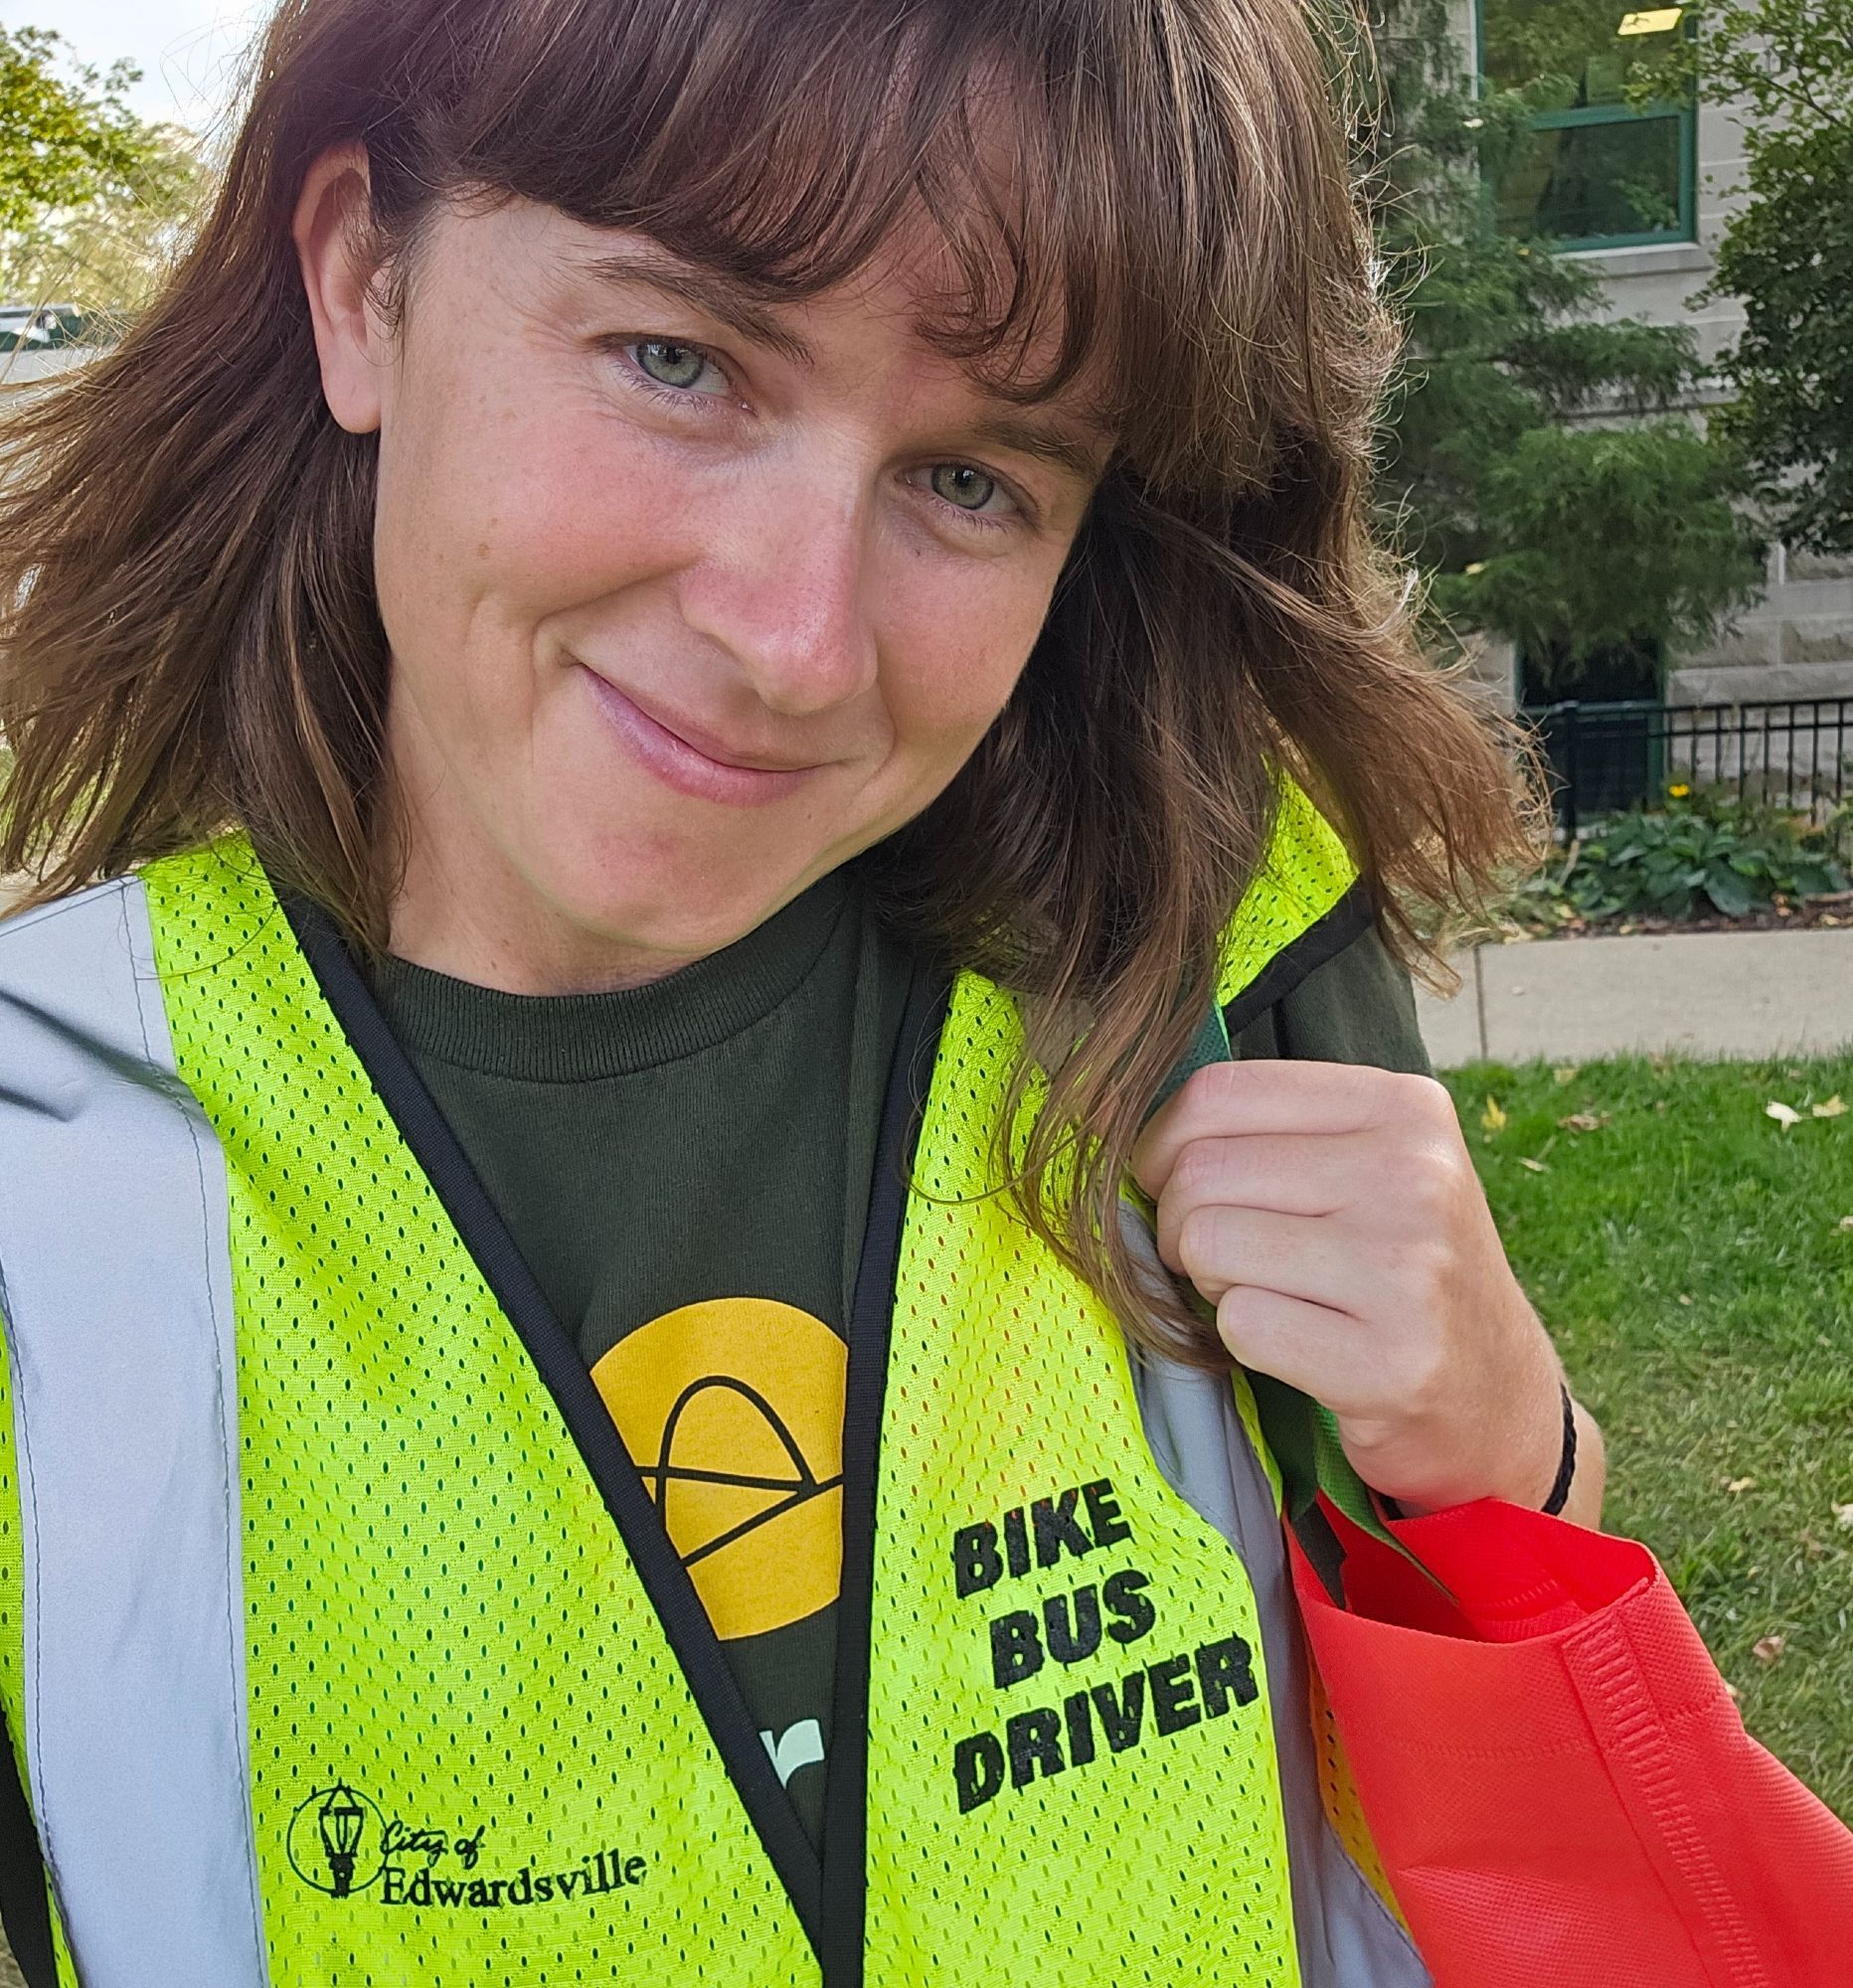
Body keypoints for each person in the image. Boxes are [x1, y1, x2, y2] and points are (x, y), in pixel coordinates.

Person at [0, 0, 1605, 1982]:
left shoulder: (1197, 945)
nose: (791, 636)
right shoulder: (42, 1154)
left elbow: (1527, 1797)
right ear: (361, 289)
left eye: (971, 482)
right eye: (676, 359)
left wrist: (1507, 1437)